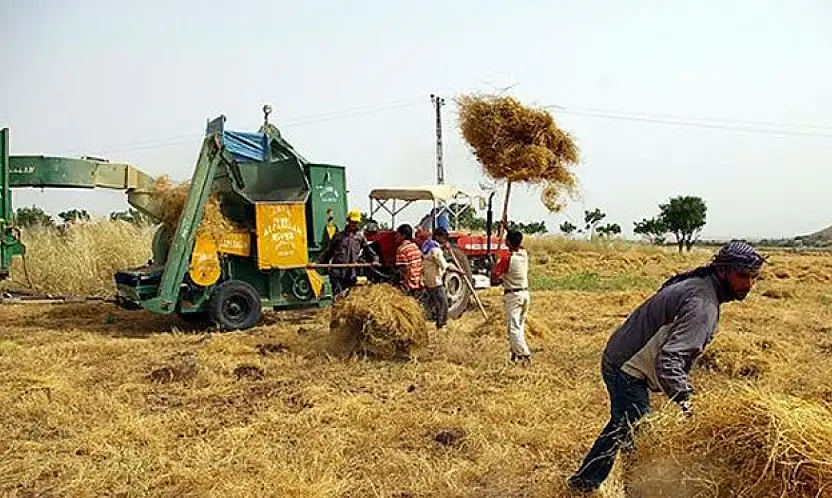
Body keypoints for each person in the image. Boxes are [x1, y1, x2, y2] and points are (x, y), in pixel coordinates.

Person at [566, 241, 767, 493]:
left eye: (753, 278)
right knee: (640, 439)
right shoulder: (702, 304)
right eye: (742, 276)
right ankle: (637, 490)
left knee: (622, 425)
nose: (748, 285)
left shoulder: (700, 286)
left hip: (620, 355)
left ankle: (583, 482)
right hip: (627, 368)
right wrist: (687, 401)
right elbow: (669, 359)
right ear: (723, 271)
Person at [317, 209, 378, 299]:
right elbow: (328, 251)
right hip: (337, 272)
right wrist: (318, 262)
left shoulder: (360, 238)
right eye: (352, 222)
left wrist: (375, 260)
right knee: (338, 296)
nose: (354, 224)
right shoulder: (338, 236)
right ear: (348, 221)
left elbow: (368, 250)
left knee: (349, 298)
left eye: (356, 222)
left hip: (351, 273)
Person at [491, 230, 532, 363]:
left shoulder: (507, 258)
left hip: (513, 296)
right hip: (525, 294)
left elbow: (494, 279)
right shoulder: (524, 254)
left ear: (507, 241)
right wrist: (507, 228)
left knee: (513, 328)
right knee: (519, 326)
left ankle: (524, 354)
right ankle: (515, 354)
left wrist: (495, 265)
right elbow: (517, 244)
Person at [421, 227, 460, 329]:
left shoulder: (427, 245)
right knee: (443, 304)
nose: (445, 240)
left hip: (428, 279)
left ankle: (434, 321)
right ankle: (441, 325)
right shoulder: (436, 250)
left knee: (434, 303)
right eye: (444, 238)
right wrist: (459, 271)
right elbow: (445, 266)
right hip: (435, 281)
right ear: (438, 237)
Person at [394, 224, 424, 299]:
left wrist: (404, 284)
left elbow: (405, 268)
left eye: (397, 234)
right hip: (418, 281)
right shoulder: (415, 246)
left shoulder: (402, 249)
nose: (396, 237)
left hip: (410, 284)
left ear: (403, 236)